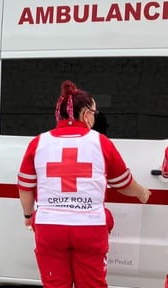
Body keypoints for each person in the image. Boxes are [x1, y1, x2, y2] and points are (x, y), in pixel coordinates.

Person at [17, 80, 151, 288]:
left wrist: (28, 216)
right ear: (87, 113)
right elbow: (123, 182)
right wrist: (141, 192)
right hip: (90, 228)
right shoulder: (101, 142)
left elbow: (25, 185)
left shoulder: (38, 142)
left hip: (49, 227)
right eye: (95, 113)